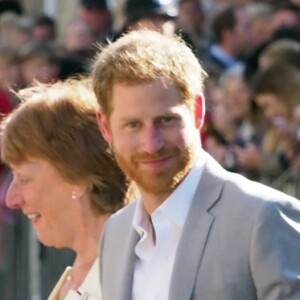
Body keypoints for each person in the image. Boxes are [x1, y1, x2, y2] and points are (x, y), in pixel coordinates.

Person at [92, 29, 300, 300]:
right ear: (106, 128)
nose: (151, 144)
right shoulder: (116, 232)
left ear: (198, 112)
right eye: (133, 125)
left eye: (166, 121)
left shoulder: (263, 218)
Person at [0, 78, 129, 299]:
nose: (11, 199)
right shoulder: (81, 273)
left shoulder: (130, 278)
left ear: (76, 176)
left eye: (25, 178)